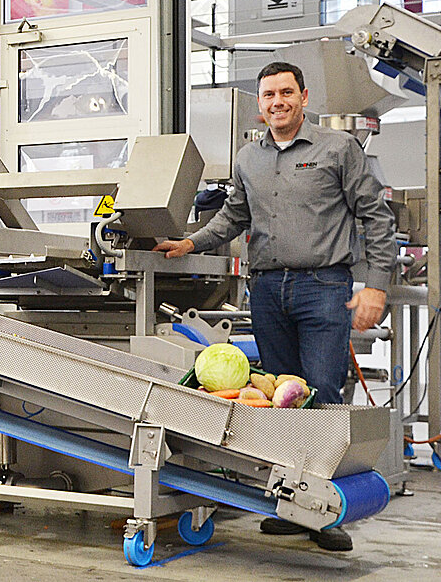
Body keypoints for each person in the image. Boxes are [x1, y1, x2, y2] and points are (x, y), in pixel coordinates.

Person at [152, 61, 396, 551]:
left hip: (324, 287)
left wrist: (377, 285)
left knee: (322, 396)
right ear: (260, 103)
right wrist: (190, 244)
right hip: (266, 290)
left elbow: (376, 215)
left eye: (287, 92)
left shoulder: (338, 148)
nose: (277, 102)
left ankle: (327, 514)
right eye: (268, 95)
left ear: (304, 97)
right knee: (277, 400)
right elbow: (234, 216)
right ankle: (291, 504)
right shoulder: (248, 158)